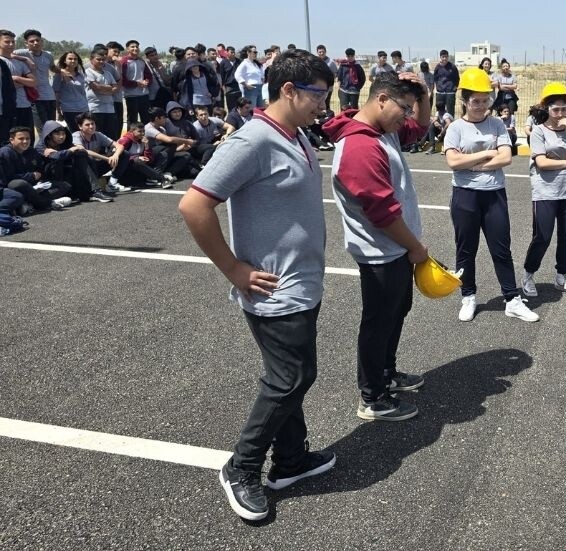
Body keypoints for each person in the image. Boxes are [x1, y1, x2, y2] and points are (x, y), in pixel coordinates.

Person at [178, 49, 337, 522]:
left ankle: (290, 460)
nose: (323, 104)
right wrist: (233, 268)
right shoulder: (252, 141)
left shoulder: (296, 134)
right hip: (274, 288)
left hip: (301, 281)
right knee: (290, 378)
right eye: (317, 95)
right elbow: (194, 205)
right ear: (288, 90)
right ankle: (242, 467)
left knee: (291, 375)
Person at [325, 71, 431, 421]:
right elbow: (382, 213)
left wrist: (423, 93)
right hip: (380, 251)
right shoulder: (361, 145)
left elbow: (421, 128)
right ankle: (372, 397)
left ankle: (387, 374)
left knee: (396, 312)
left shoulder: (384, 130)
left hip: (394, 248)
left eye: (411, 108)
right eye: (405, 108)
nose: (408, 116)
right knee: (378, 322)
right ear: (381, 99)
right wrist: (415, 247)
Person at [443, 68, 538, 323]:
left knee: (501, 249)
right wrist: (486, 154)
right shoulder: (456, 128)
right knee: (466, 249)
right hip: (465, 195)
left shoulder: (496, 124)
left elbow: (506, 157)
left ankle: (512, 299)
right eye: (476, 101)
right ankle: (468, 296)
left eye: (486, 100)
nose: (482, 106)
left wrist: (470, 163)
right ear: (465, 100)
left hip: (494, 194)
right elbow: (453, 161)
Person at [521, 83, 566, 299]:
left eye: (565, 109)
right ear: (547, 109)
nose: (561, 114)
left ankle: (562, 277)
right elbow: (542, 163)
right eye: (556, 109)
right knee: (542, 236)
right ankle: (528, 274)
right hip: (545, 192)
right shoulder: (538, 131)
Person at [0, 126, 72, 213]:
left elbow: (39, 169)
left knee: (65, 186)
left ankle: (28, 203)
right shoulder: (5, 153)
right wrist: (31, 176)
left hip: (34, 186)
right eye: (21, 139)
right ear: (12, 140)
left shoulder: (31, 151)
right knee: (18, 184)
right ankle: (48, 203)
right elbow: (8, 178)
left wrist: (40, 181)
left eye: (27, 138)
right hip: (15, 187)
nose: (25, 141)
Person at [37, 120, 95, 201]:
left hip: (64, 174)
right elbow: (56, 157)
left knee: (81, 155)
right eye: (57, 134)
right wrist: (70, 150)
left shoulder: (64, 143)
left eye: (63, 134)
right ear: (49, 135)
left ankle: (93, 191)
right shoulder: (41, 146)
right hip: (47, 178)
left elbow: (80, 150)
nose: (61, 137)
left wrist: (75, 150)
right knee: (58, 162)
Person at [14, 30, 56, 136]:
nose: (35, 43)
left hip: (50, 96)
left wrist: (64, 71)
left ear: (42, 41)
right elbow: (7, 54)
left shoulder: (48, 55)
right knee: (43, 130)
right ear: (26, 43)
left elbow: (53, 67)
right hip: (35, 97)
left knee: (52, 128)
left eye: (38, 40)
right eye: (32, 41)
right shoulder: (22, 53)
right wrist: (26, 59)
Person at [0, 30, 37, 143]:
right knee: (10, 141)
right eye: (7, 42)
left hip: (25, 105)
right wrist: (22, 82)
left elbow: (34, 82)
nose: (11, 44)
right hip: (8, 108)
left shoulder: (19, 63)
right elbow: (6, 85)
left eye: (13, 42)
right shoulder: (1, 62)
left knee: (28, 140)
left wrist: (17, 78)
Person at [84, 49, 118, 140]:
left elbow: (115, 87)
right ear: (91, 60)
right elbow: (96, 87)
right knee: (97, 134)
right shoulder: (88, 72)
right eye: (98, 59)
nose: (101, 61)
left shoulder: (108, 73)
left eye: (103, 60)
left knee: (110, 134)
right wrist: (109, 87)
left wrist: (105, 89)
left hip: (109, 108)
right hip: (95, 108)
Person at [51, 51, 87, 133]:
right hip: (69, 110)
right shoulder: (59, 75)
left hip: (84, 108)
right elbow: (56, 93)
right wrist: (58, 111)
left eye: (75, 59)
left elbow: (83, 93)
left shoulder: (80, 75)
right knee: (75, 133)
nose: (73, 61)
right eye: (70, 59)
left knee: (85, 132)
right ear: (64, 61)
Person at [120, 40, 152, 125]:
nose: (135, 48)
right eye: (132, 47)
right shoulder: (124, 62)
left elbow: (148, 75)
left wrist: (146, 82)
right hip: (131, 95)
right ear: (127, 49)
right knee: (132, 120)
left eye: (137, 47)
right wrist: (136, 83)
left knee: (146, 119)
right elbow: (122, 79)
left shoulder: (142, 61)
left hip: (144, 94)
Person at [433, 50, 459, 117]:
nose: (445, 58)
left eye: (446, 57)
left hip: (450, 92)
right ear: (440, 57)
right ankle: (440, 123)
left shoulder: (452, 66)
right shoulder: (437, 67)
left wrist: (455, 88)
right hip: (440, 92)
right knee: (439, 112)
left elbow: (457, 78)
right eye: (443, 57)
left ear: (448, 57)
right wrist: (438, 87)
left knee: (450, 112)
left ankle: (451, 123)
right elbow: (435, 78)